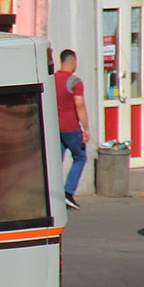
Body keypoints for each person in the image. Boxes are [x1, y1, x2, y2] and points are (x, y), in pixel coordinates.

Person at [55, 49, 90, 209]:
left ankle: (53, 195)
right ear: (73, 62)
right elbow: (79, 105)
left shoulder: (51, 80)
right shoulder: (74, 82)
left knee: (56, 161)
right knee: (80, 157)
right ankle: (67, 193)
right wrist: (86, 127)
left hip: (55, 127)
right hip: (70, 127)